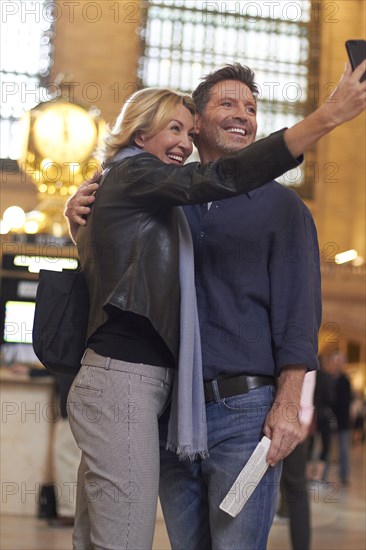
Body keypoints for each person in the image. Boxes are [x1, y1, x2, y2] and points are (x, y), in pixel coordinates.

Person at [66, 62, 366, 550]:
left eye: (251, 108)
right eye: (227, 104)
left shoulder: (284, 210)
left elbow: (299, 318)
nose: (243, 116)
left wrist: (289, 405)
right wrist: (77, 217)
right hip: (169, 412)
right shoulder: (164, 194)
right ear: (198, 121)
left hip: (246, 415)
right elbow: (114, 263)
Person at [275, 371, 316, 550]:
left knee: (296, 488)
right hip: (259, 416)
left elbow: (305, 370)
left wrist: (304, 418)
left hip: (293, 421)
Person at [328, 351, 352, 485]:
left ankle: (344, 476)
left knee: (343, 450)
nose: (337, 365)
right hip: (329, 421)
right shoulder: (330, 379)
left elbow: (345, 402)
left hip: (342, 422)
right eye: (335, 362)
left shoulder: (345, 380)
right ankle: (323, 476)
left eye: (339, 362)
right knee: (326, 448)